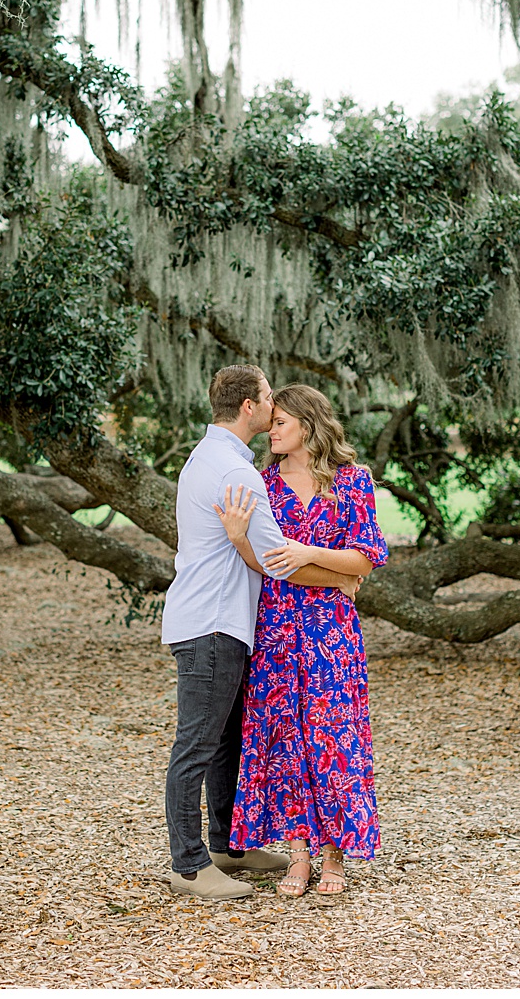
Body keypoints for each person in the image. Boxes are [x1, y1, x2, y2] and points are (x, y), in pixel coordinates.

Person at [161, 365, 365, 900]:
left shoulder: (215, 460)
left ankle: (230, 844)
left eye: (284, 412)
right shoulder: (244, 475)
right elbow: (278, 562)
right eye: (269, 401)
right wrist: (343, 576)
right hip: (218, 621)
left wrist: (344, 569)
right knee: (200, 743)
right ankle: (189, 865)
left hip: (237, 621)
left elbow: (289, 556)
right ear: (249, 407)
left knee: (229, 738)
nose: (274, 414)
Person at [215, 383, 388, 897]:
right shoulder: (262, 485)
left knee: (333, 739)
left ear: (309, 426)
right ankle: (298, 855)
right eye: (272, 421)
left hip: (332, 633)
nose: (272, 429)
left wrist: (306, 552)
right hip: (275, 630)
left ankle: (335, 855)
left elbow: (365, 559)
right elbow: (267, 566)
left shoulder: (352, 483)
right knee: (286, 739)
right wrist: (241, 538)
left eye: (282, 421)